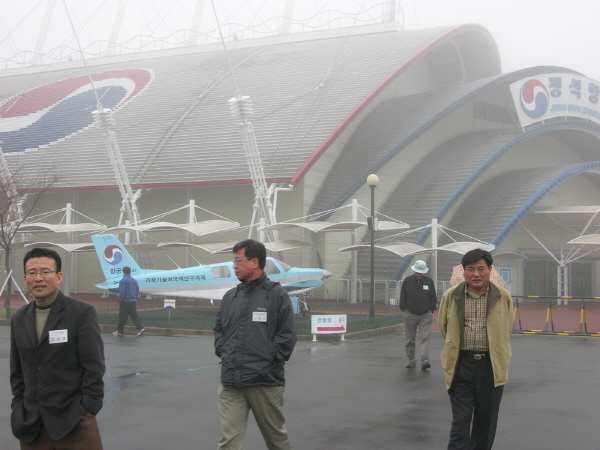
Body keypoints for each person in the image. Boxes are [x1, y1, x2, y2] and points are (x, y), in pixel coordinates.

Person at [10, 248, 105, 449]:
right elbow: (17, 370)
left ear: (59, 276)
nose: (39, 278)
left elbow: (94, 365)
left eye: (45, 272)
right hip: (33, 425)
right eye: (33, 273)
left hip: (74, 420)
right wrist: (19, 405)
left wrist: (88, 407)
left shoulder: (80, 313)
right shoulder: (19, 319)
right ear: (25, 278)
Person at [214, 239, 297, 450]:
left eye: (238, 260)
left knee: (276, 440)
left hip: (265, 381)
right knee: (229, 443)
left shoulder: (276, 295)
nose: (234, 265)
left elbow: (287, 336)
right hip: (231, 382)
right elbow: (219, 329)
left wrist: (270, 361)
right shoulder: (230, 296)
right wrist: (223, 351)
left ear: (254, 262)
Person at [439, 249, 514, 450]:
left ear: (490, 270)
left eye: (481, 269)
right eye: (470, 269)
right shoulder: (451, 295)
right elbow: (443, 327)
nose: (476, 274)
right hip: (460, 364)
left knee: (485, 423)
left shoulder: (502, 296)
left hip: (491, 366)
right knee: (460, 422)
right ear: (464, 272)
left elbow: (508, 326)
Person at [400, 259, 437, 370]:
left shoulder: (429, 282)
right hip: (410, 313)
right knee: (410, 339)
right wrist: (404, 309)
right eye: (417, 272)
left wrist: (431, 309)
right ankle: (411, 360)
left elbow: (433, 296)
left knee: (425, 337)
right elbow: (403, 296)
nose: (419, 274)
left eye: (421, 272)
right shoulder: (407, 281)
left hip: (426, 314)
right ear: (414, 271)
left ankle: (425, 360)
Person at [113, 266, 145, 336]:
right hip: (133, 300)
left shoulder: (123, 281)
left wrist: (120, 299)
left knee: (122, 317)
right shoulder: (134, 280)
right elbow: (137, 290)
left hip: (125, 301)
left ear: (124, 272)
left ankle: (120, 331)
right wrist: (135, 297)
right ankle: (140, 328)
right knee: (134, 315)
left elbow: (122, 292)